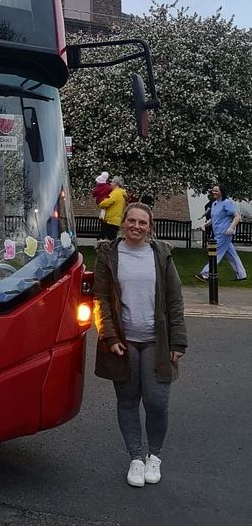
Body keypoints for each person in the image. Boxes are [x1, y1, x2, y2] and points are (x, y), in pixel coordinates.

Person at [93, 202, 187, 487]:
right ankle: (136, 458)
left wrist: (178, 339)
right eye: (131, 221)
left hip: (156, 341)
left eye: (142, 223)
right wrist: (108, 336)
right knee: (128, 401)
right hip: (124, 341)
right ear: (123, 223)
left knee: (157, 403)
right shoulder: (108, 255)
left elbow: (174, 299)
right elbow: (101, 300)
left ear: (150, 227)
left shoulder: (161, 254)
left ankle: (153, 456)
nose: (136, 226)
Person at [196, 183, 247, 282]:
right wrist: (204, 225)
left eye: (216, 191)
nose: (213, 192)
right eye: (213, 190)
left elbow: (237, 217)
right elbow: (213, 218)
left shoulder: (227, 203)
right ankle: (241, 275)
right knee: (231, 254)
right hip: (218, 233)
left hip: (225, 233)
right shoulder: (215, 204)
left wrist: (231, 228)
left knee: (216, 253)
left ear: (221, 192)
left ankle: (205, 274)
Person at [97, 175, 128, 241]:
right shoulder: (122, 193)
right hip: (116, 221)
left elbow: (107, 202)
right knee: (112, 240)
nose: (110, 184)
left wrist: (101, 203)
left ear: (116, 184)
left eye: (112, 182)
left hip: (110, 220)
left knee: (103, 241)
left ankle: (105, 251)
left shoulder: (115, 193)